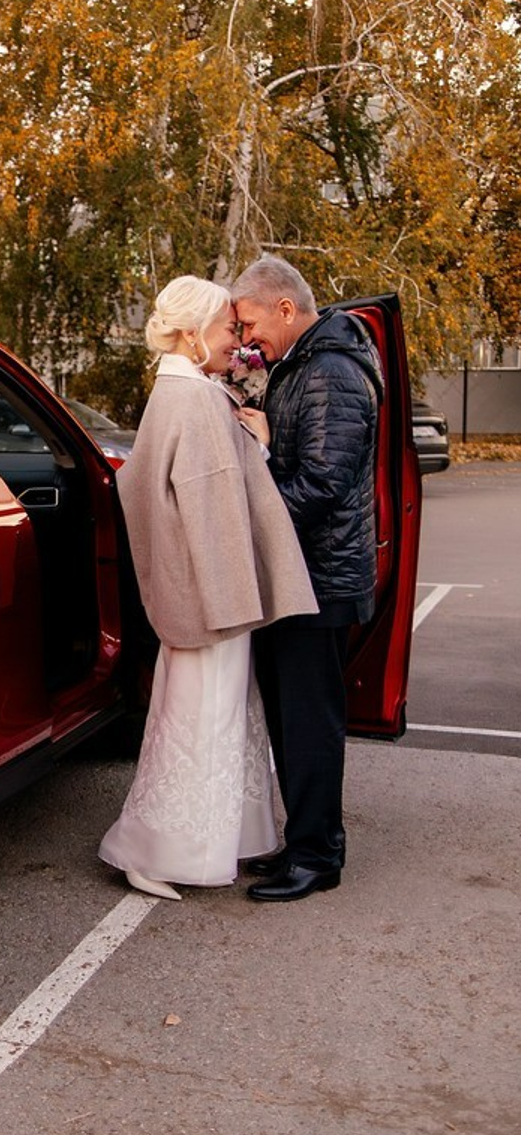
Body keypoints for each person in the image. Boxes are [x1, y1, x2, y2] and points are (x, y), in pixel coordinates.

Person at [98, 276, 318, 900]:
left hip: (195, 597)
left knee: (199, 717)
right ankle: (151, 849)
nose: (237, 342)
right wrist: (232, 602)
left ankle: (198, 843)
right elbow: (214, 514)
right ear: (193, 332)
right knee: (203, 721)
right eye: (228, 329)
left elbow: (145, 488)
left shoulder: (180, 390)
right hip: (211, 599)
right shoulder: (195, 401)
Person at [231, 255, 381, 902]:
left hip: (318, 580)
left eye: (249, 322)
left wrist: (246, 515)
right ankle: (305, 842)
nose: (244, 339)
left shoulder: (330, 373)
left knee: (310, 723)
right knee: (295, 722)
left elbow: (320, 485)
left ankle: (316, 857)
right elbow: (306, 461)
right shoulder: (305, 366)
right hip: (303, 575)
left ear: (285, 308)